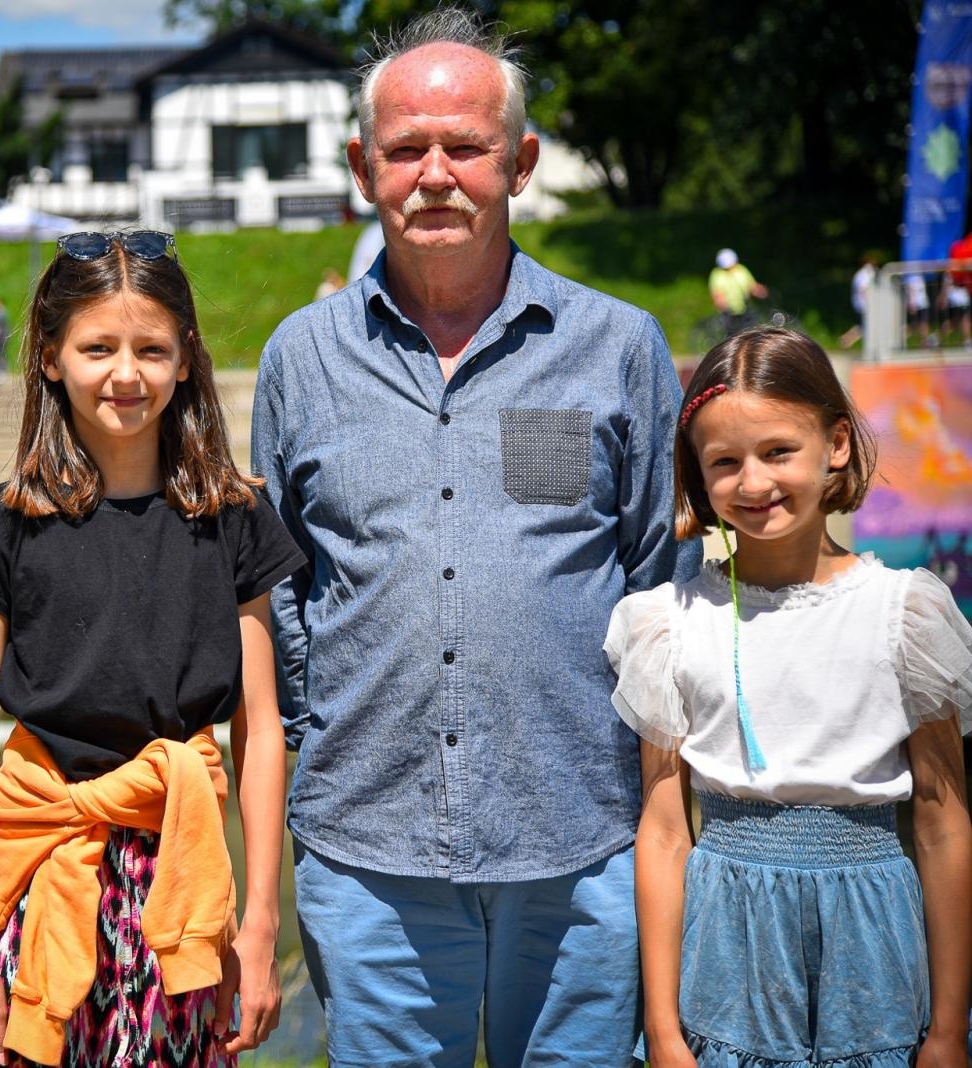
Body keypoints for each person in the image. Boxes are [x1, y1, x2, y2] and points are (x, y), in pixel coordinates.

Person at [252, 9, 700, 1065]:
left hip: (585, 839)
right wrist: (331, 729)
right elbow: (279, 581)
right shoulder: (300, 358)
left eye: (465, 147)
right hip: (368, 849)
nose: (435, 175)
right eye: (406, 149)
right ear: (363, 169)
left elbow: (661, 583)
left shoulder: (617, 347)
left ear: (521, 163)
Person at [0, 229, 301, 1068]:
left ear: (187, 361)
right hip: (38, 874)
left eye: (152, 350)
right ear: (51, 358)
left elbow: (260, 729)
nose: (126, 374)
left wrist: (258, 921)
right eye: (97, 348)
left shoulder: (235, 520)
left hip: (185, 882)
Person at [609, 326, 972, 1066]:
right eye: (725, 462)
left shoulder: (905, 613)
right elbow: (666, 831)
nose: (753, 483)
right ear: (698, 473)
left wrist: (946, 1031)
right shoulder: (670, 623)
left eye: (778, 451)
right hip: (727, 942)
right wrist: (664, 1032)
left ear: (835, 443)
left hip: (874, 938)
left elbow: (942, 825)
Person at [708, 248, 769, 336]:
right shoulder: (717, 274)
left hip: (745, 309)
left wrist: (761, 291)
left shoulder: (741, 270)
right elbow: (717, 293)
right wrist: (722, 303)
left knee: (752, 332)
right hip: (729, 312)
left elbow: (751, 286)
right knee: (732, 335)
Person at [839, 251, 880, 349]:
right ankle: (846, 339)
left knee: (863, 326)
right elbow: (863, 289)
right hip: (863, 304)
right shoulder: (865, 274)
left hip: (860, 303)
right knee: (865, 326)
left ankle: (846, 339)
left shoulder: (861, 274)